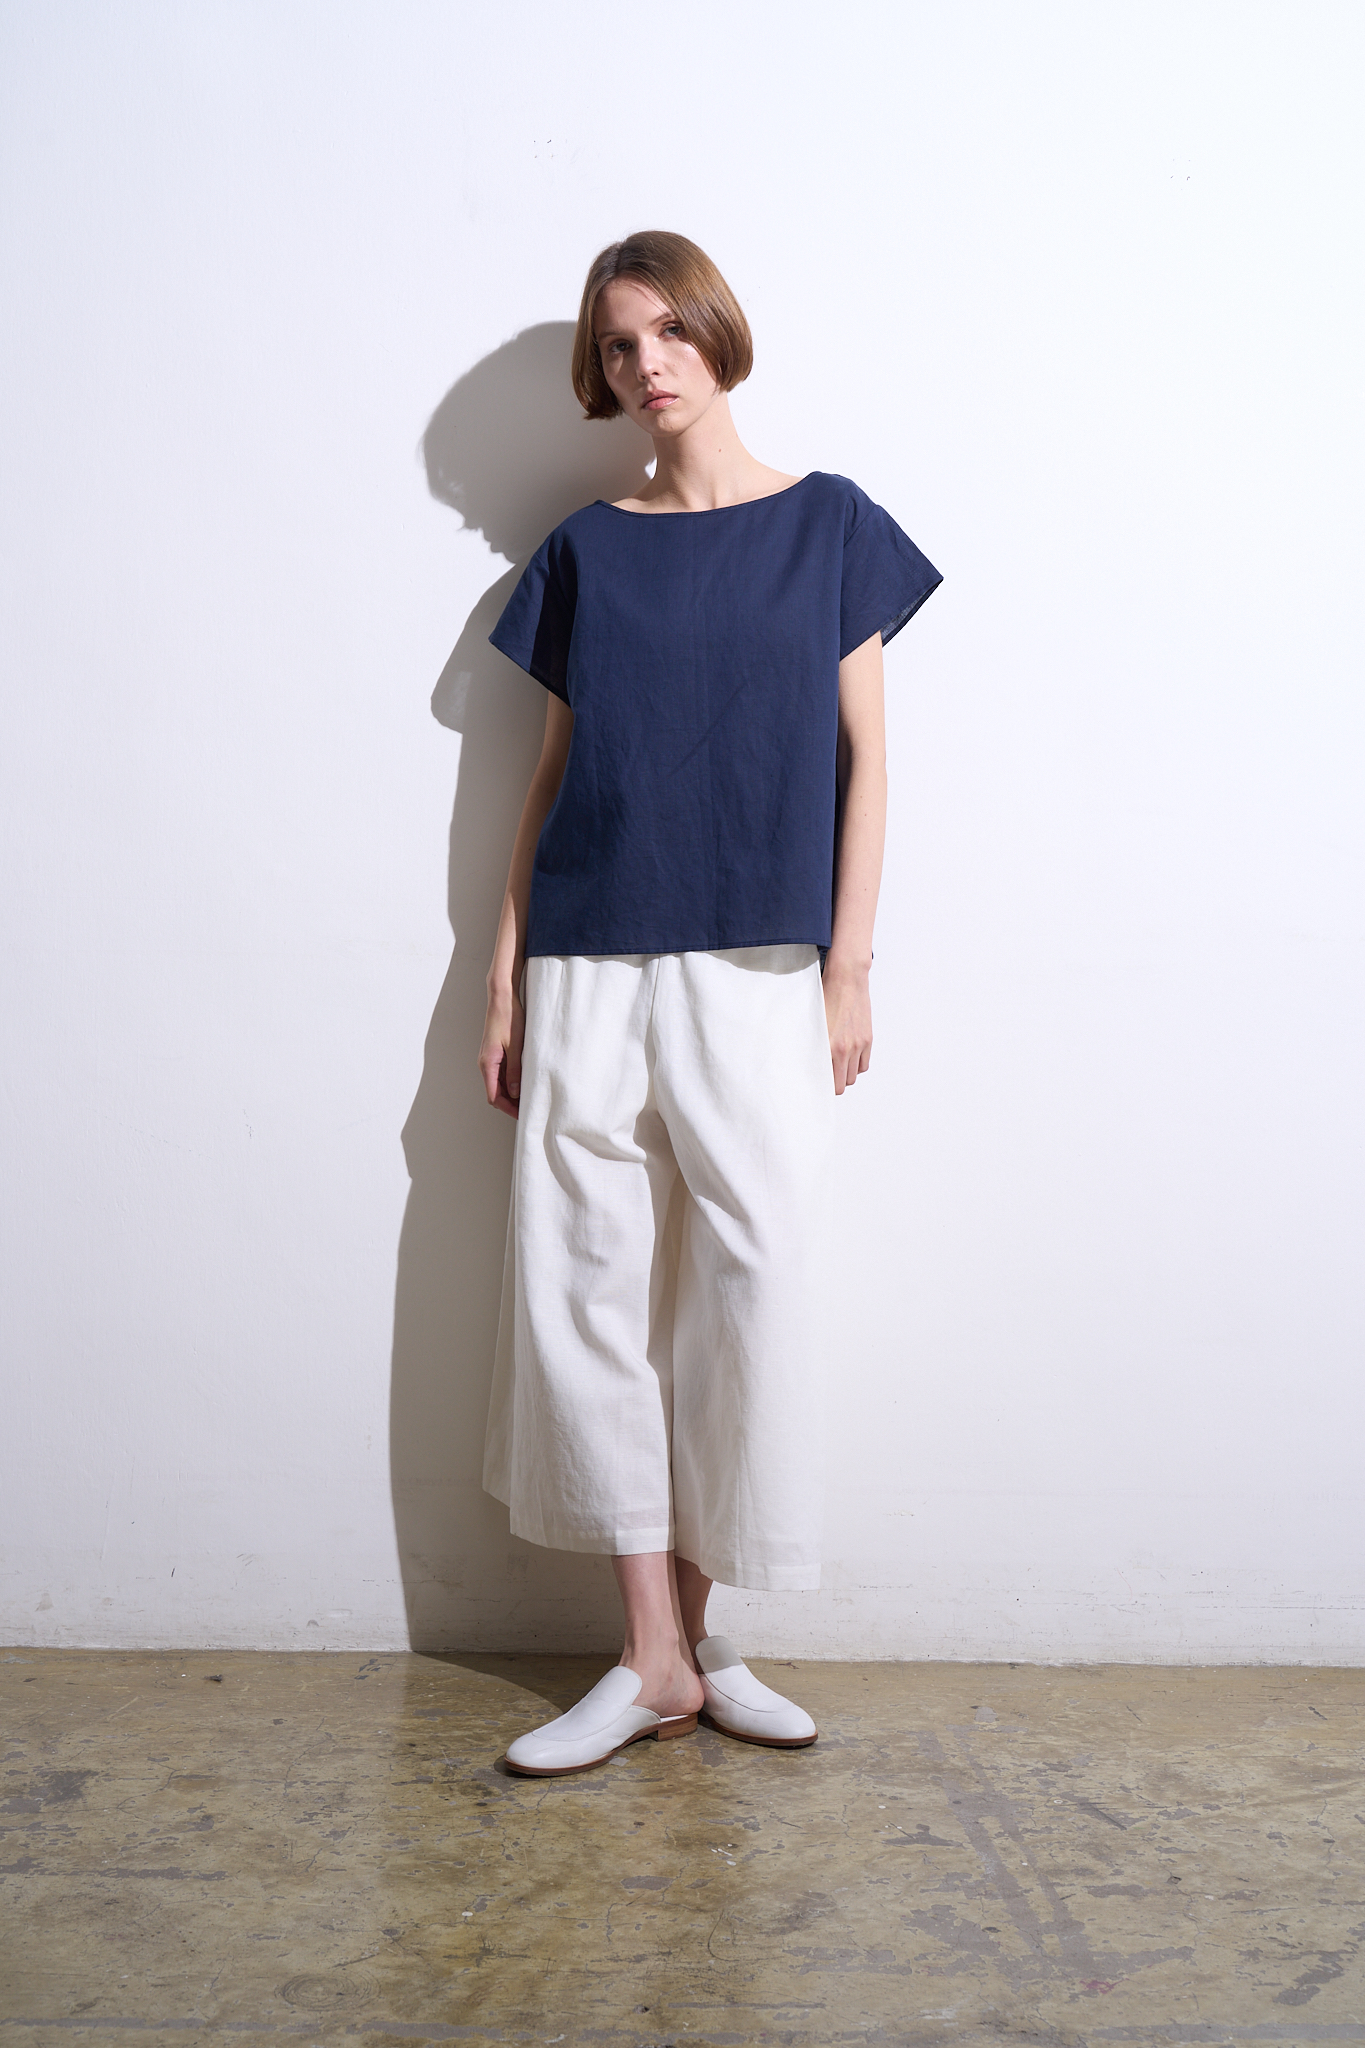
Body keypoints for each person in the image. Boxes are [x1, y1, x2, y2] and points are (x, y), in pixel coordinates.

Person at [476, 231, 941, 1777]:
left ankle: (694, 1634)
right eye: (618, 345)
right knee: (584, 1290)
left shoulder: (830, 526)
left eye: (668, 331)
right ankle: (650, 1656)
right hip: (588, 954)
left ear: (716, 334)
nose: (646, 365)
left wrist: (849, 961)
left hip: (760, 958)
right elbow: (550, 776)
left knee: (750, 1288)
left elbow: (868, 759)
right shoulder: (583, 551)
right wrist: (502, 975)